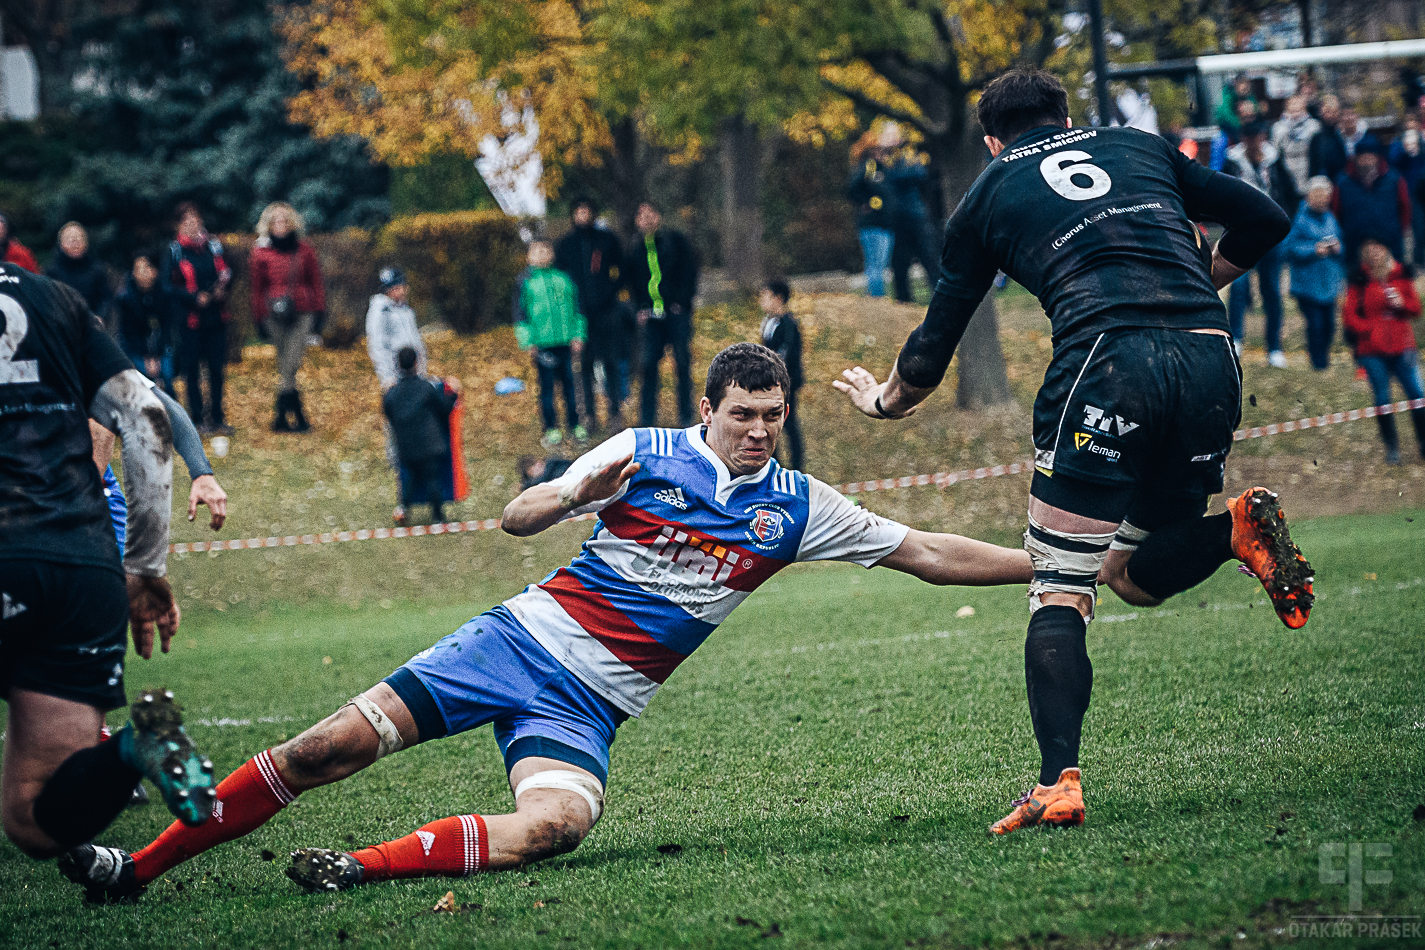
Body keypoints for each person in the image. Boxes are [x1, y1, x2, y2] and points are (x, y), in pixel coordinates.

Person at [61, 342, 1035, 901]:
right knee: (325, 748)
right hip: (516, 640)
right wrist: (577, 493)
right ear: (707, 407)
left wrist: (1056, 562)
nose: (759, 429)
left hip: (593, 704)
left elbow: (928, 550)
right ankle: (134, 866)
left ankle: (354, 866)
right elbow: (516, 515)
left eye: (773, 414)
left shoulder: (797, 504)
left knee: (559, 824)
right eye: (743, 412)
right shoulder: (643, 450)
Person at [834, 69, 1309, 837]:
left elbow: (930, 350)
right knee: (1130, 574)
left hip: (1105, 367)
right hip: (1206, 357)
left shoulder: (986, 193)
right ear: (1065, 117)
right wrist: (1198, 282)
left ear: (992, 141)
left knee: (1061, 587)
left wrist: (882, 401)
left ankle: (1057, 782)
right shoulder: (1135, 144)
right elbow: (1264, 217)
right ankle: (1230, 532)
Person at [0, 260, 215, 888]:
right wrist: (145, 566)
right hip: (80, 567)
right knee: (35, 818)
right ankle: (130, 749)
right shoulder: (57, 300)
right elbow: (147, 417)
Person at [1222, 120, 1299, 367]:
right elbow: (1219, 193)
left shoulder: (1274, 159)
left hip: (1271, 234)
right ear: (1243, 139)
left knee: (1272, 291)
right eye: (1249, 137)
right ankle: (1236, 340)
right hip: (1241, 232)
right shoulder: (1232, 162)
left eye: (1258, 136)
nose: (1254, 142)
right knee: (1239, 287)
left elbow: (1289, 192)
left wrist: (1284, 220)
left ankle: (1274, 347)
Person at [1342, 239, 1424, 465]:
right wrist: (1371, 329)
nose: (1375, 254)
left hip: (1403, 347)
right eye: (1370, 250)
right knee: (1383, 398)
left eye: (1378, 249)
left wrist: (1401, 304)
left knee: (1417, 395)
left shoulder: (1401, 274)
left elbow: (1415, 309)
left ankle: (1424, 444)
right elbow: (1349, 316)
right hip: (1372, 350)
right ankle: (1392, 447)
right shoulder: (1358, 279)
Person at [555, 196, 630, 432]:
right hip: (579, 317)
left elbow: (623, 270)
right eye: (579, 211)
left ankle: (615, 411)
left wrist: (611, 292)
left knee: (611, 363)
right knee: (584, 368)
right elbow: (560, 280)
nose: (583, 216)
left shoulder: (607, 240)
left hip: (607, 313)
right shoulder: (566, 244)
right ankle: (589, 415)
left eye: (587, 211)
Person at [250, 202, 326, 433]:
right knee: (286, 367)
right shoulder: (260, 253)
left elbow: (316, 281)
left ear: (292, 222)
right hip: (274, 315)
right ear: (268, 224)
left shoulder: (304, 249)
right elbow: (257, 289)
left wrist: (320, 312)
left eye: (284, 220)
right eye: (275, 220)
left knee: (290, 364)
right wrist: (259, 318)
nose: (280, 224)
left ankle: (282, 416)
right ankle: (297, 418)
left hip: (303, 311)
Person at [626, 201, 699, 428]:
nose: (647, 219)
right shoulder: (635, 247)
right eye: (641, 215)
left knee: (682, 364)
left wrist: (681, 302)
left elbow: (690, 270)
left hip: (676, 314)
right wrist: (639, 306)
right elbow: (632, 280)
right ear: (637, 221)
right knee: (648, 366)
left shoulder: (674, 240)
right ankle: (647, 417)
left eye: (650, 214)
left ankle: (686, 414)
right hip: (651, 318)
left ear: (658, 216)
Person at [163, 203, 232, 434]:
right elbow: (166, 286)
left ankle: (217, 416)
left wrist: (223, 288)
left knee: (216, 369)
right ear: (179, 225)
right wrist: (192, 296)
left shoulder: (214, 246)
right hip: (190, 320)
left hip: (216, 316)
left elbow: (230, 272)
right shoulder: (174, 251)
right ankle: (197, 418)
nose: (193, 225)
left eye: (195, 220)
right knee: (191, 370)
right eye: (187, 221)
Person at [516, 237, 586, 446]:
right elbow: (520, 314)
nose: (542, 254)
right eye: (536, 251)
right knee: (546, 389)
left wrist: (578, 335)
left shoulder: (564, 277)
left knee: (570, 387)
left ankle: (575, 425)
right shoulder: (525, 281)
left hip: (565, 341)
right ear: (529, 256)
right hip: (542, 344)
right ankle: (551, 428)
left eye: (545, 250)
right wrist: (528, 341)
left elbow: (577, 307)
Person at [382, 347, 460, 524]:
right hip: (430, 444)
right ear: (416, 363)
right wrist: (453, 393)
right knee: (433, 479)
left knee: (410, 479)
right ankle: (438, 517)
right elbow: (444, 409)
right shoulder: (426, 387)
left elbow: (387, 412)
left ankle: (403, 510)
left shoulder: (393, 393)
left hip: (406, 445)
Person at [1284, 177, 1346, 371]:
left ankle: (1324, 357)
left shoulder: (1330, 218)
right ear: (1309, 196)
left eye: (1324, 195)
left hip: (1329, 283)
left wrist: (1337, 248)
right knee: (1315, 324)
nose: (1321, 199)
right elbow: (1289, 248)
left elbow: (1342, 244)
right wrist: (1314, 249)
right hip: (1306, 285)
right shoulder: (1299, 219)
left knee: (1329, 324)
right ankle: (1317, 362)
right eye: (1317, 195)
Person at [882, 130, 942, 303]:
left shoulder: (910, 158)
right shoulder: (888, 162)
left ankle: (937, 293)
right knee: (900, 262)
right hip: (899, 218)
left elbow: (921, 173)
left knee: (929, 256)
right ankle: (903, 299)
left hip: (916, 215)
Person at [1334, 137, 1411, 269]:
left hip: (1390, 241)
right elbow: (1336, 211)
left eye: (1370, 156)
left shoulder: (1394, 179)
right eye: (1362, 157)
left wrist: (1397, 230)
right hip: (1354, 243)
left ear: (1377, 157)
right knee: (1358, 283)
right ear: (1356, 158)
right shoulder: (1343, 182)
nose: (1366, 161)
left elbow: (1405, 208)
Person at [758, 277, 805, 471]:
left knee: (789, 423)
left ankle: (797, 466)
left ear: (778, 298)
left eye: (766, 296)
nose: (762, 300)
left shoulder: (788, 325)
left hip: (787, 382)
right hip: (770, 382)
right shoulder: (768, 322)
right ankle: (774, 463)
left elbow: (786, 354)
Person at [114, 254, 177, 395]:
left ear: (155, 271)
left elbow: (166, 328)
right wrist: (146, 357)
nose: (143, 273)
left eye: (147, 268)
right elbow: (129, 332)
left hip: (161, 348)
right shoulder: (126, 299)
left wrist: (157, 355)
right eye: (138, 269)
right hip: (135, 349)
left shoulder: (165, 295)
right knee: (139, 380)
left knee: (167, 376)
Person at [846, 131, 895, 297]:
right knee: (876, 265)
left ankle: (875, 295)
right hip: (872, 224)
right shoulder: (867, 167)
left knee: (880, 265)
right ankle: (876, 297)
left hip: (884, 223)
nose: (882, 154)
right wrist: (865, 202)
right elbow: (852, 188)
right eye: (879, 151)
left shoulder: (883, 170)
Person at [44, 222, 113, 330]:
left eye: (79, 238)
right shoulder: (51, 271)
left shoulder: (97, 269)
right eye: (70, 239)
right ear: (61, 244)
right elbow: (47, 301)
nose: (75, 242)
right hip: (61, 327)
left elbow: (105, 298)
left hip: (92, 326)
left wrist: (101, 317)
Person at [366, 267, 425, 392]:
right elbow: (377, 344)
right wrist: (387, 377)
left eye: (398, 287)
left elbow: (414, 338)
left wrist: (421, 367)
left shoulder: (405, 309)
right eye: (391, 288)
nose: (395, 291)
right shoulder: (381, 311)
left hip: (414, 372)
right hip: (396, 375)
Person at [1388, 114, 1425, 266]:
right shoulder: (1397, 144)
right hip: (1410, 191)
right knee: (1418, 228)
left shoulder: (1422, 142)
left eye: (1413, 122)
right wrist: (1405, 150)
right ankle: (1418, 260)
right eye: (1408, 122)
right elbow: (1393, 163)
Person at [1272, 95, 1320, 196]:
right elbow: (1275, 150)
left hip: (1306, 161)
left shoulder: (1314, 126)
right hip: (1287, 162)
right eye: (1293, 104)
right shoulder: (1279, 127)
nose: (1295, 107)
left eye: (1298, 104)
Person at [1308, 95, 1349, 183]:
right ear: (1321, 113)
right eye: (1328, 112)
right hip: (1324, 182)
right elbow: (1315, 166)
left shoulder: (1342, 135)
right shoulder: (1317, 138)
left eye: (1334, 112)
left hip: (1342, 181)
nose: (1331, 115)